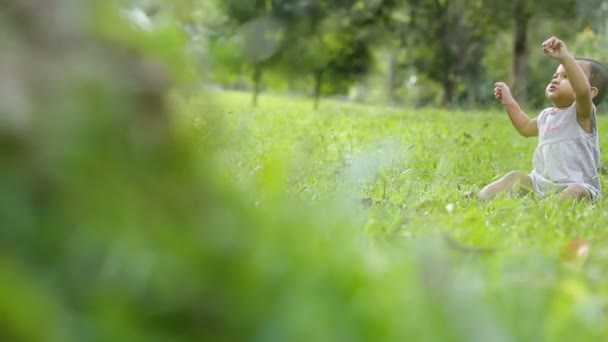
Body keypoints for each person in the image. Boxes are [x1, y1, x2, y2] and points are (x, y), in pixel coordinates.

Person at [475, 36, 608, 202]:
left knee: (575, 191)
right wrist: (509, 102)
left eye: (566, 77)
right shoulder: (547, 116)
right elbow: (524, 127)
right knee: (514, 177)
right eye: (556, 75)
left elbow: (582, 92)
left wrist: (566, 58)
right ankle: (480, 197)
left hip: (578, 184)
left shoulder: (582, 115)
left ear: (592, 92)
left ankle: (552, 205)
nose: (556, 79)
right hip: (542, 183)